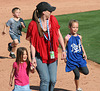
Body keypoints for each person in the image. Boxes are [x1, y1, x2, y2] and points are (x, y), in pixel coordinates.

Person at [26, 2, 66, 91]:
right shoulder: (33, 24)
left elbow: (59, 34)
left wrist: (63, 50)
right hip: (39, 55)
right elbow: (32, 43)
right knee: (45, 80)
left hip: (52, 54)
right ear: (44, 12)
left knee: (52, 80)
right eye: (50, 10)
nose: (51, 12)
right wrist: (33, 58)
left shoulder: (53, 20)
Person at [64, 20, 89, 91]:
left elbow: (81, 45)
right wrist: (65, 57)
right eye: (73, 27)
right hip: (71, 59)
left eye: (77, 27)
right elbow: (64, 48)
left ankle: (77, 68)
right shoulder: (67, 38)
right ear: (69, 27)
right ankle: (77, 88)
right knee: (77, 75)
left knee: (86, 72)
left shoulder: (79, 37)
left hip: (79, 58)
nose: (75, 29)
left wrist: (84, 53)